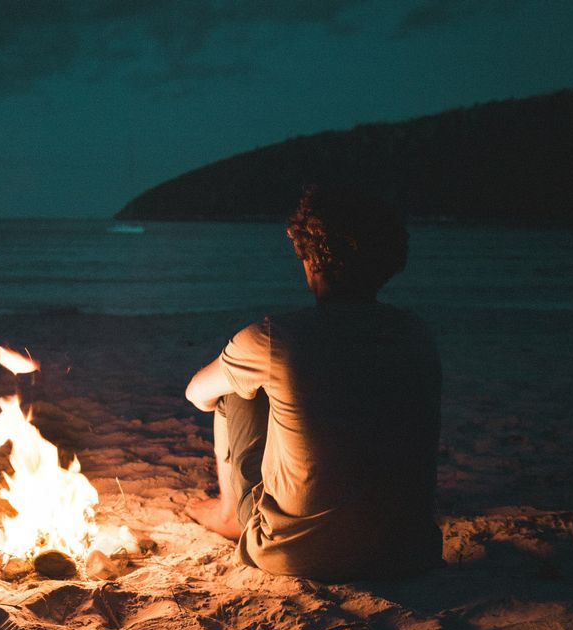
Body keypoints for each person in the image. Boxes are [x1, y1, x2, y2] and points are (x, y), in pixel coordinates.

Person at [184, 186, 443, 581]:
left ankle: (228, 512)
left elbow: (197, 395)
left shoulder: (276, 338)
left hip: (296, 553)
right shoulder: (416, 333)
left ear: (309, 260)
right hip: (408, 551)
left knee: (234, 389)